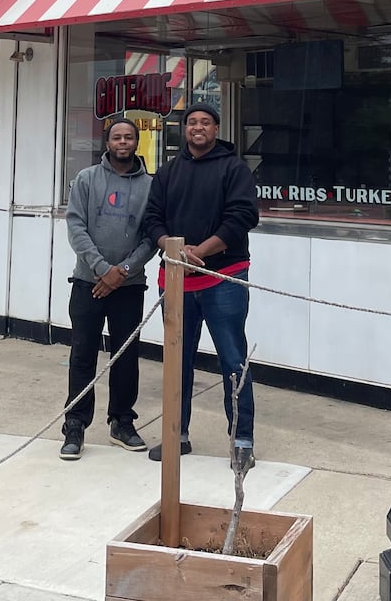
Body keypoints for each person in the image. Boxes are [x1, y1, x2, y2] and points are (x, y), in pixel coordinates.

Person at [142, 103, 260, 468]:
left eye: (205, 123)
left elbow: (242, 216)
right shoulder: (168, 171)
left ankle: (242, 441)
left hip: (224, 278)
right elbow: (152, 219)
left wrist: (199, 253)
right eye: (191, 122)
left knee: (232, 361)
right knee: (177, 363)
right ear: (184, 129)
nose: (197, 128)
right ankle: (177, 434)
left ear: (216, 128)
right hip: (176, 281)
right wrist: (171, 248)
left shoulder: (234, 168)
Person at [60, 117, 156, 460]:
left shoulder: (150, 185)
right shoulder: (87, 179)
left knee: (126, 357)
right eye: (117, 136)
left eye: (129, 137)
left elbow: (152, 236)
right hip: (89, 283)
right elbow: (76, 227)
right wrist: (103, 270)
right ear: (108, 142)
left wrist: (125, 271)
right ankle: (75, 425)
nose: (123, 142)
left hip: (129, 287)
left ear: (136, 142)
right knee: (82, 355)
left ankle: (122, 422)